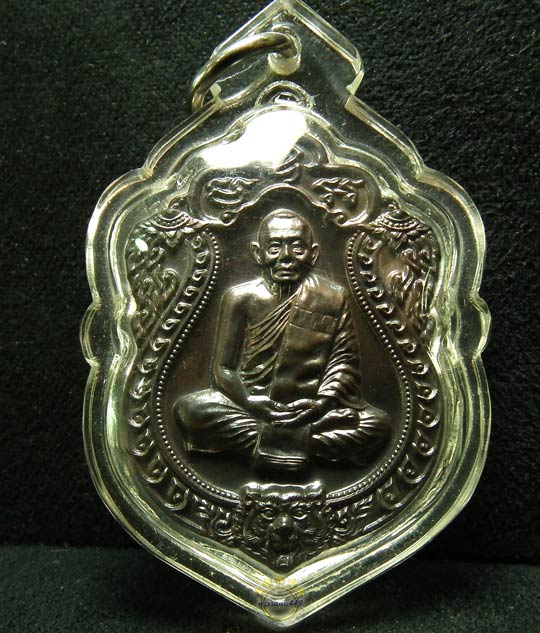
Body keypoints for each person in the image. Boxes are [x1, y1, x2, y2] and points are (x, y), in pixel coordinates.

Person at [174, 209, 390, 472]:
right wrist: (251, 402)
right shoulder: (239, 298)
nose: (286, 257)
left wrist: (320, 404)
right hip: (251, 406)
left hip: (311, 408)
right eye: (275, 247)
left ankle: (278, 439)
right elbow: (223, 369)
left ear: (313, 254)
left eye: (297, 247)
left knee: (378, 424)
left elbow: (343, 363)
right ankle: (306, 440)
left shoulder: (333, 297)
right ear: (258, 253)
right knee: (190, 410)